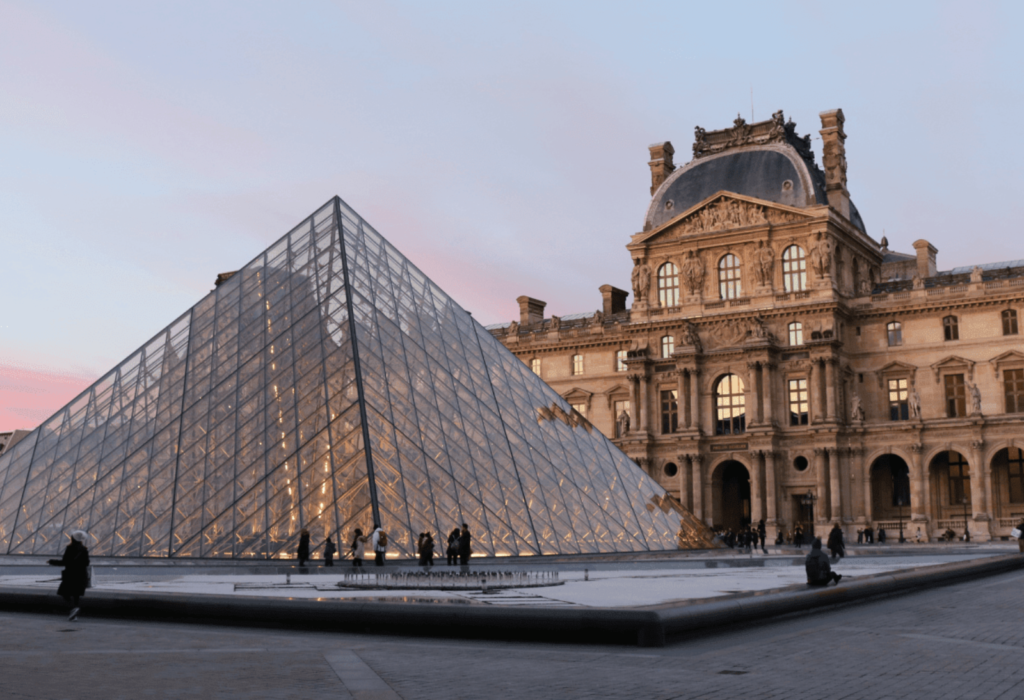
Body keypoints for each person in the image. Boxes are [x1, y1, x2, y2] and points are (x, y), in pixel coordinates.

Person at [47, 530, 90, 621]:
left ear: (72, 538)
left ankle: (73, 608)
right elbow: (87, 563)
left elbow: (65, 562)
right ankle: (74, 614)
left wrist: (52, 562)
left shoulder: (70, 548)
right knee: (76, 594)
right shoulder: (84, 549)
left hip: (71, 575)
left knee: (63, 592)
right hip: (81, 575)